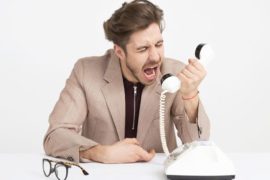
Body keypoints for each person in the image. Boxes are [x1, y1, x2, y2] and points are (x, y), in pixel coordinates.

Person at [43, 0, 210, 164]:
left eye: (158, 44)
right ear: (119, 51)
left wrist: (190, 96)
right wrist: (100, 153)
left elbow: (198, 146)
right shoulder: (85, 71)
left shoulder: (174, 74)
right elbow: (55, 136)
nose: (155, 57)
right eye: (143, 49)